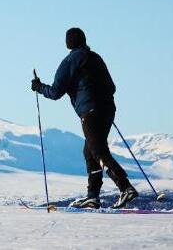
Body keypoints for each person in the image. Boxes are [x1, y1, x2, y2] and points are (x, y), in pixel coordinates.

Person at [31, 27, 138, 209]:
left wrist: (38, 86)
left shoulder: (70, 60)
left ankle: (125, 187)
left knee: (98, 151)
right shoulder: (95, 57)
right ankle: (93, 197)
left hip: (90, 111)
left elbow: (56, 92)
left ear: (68, 43)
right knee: (90, 152)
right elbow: (112, 87)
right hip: (108, 108)